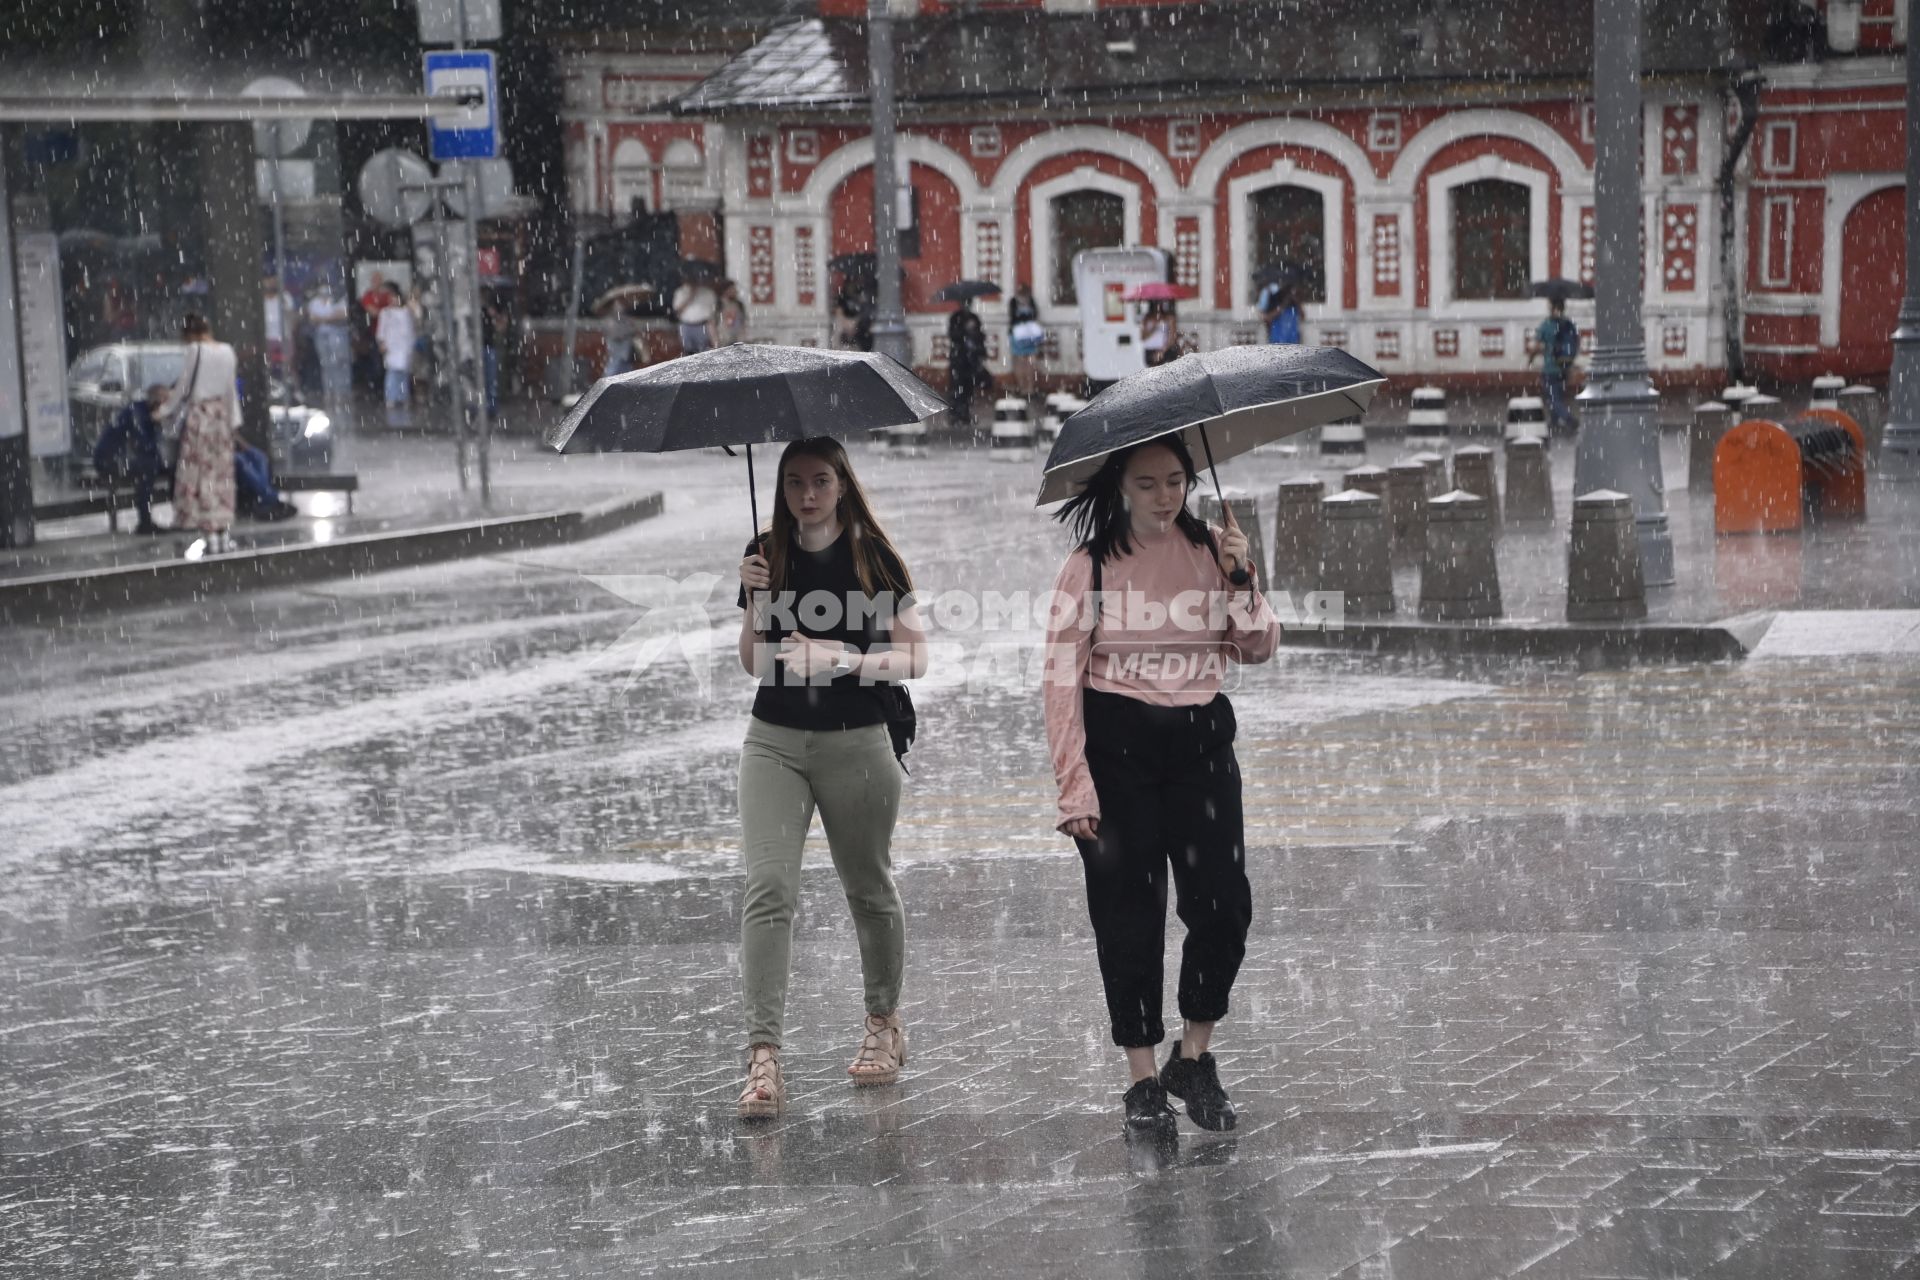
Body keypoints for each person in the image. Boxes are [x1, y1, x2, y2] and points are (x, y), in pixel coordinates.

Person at [1043, 437, 1283, 1136]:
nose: (1164, 495)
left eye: (1176, 480)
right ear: (1120, 484)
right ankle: (1143, 1080)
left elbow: (1260, 646)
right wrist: (1074, 785)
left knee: (1223, 907)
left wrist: (1242, 579)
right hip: (1118, 749)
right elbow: (1061, 684)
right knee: (1129, 917)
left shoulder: (1215, 549)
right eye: (1147, 483)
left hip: (1201, 745)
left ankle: (1194, 1057)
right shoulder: (1085, 567)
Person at [732, 437, 929, 1119]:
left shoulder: (875, 559)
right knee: (767, 888)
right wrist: (757, 603)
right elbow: (756, 665)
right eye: (793, 483)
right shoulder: (766, 554)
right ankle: (764, 1058)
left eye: (819, 481)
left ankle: (884, 1023)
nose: (805, 495)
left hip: (858, 742)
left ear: (843, 485)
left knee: (868, 888)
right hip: (775, 741)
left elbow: (915, 660)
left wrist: (841, 657)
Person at [162, 313, 242, 554]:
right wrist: (233, 422)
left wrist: (165, 410)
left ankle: (208, 530)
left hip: (200, 419)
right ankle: (222, 528)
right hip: (221, 419)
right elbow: (230, 390)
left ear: (189, 334)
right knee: (220, 474)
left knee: (200, 475)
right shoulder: (228, 351)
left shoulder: (195, 351)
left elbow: (183, 388)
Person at [92, 384, 169, 536]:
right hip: (109, 460)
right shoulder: (138, 413)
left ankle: (154, 519)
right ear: (156, 402)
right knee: (148, 468)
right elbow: (143, 444)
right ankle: (145, 522)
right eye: (165, 401)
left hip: (119, 458)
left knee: (155, 466)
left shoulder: (142, 412)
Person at [1532, 298, 1580, 434]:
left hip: (1550, 368)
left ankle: (1569, 419)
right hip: (1564, 367)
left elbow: (1537, 346)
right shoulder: (1568, 324)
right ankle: (1553, 424)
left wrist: (1531, 359)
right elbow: (1576, 343)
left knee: (1553, 399)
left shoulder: (1546, 325)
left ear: (1553, 308)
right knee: (1557, 395)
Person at [305, 281, 353, 406]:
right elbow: (313, 318)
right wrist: (329, 317)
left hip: (338, 335)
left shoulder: (339, 300)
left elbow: (343, 315)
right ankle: (329, 392)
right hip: (321, 336)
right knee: (326, 365)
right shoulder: (314, 303)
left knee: (340, 363)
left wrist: (323, 318)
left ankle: (342, 392)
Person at [375, 282, 416, 422]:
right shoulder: (385, 313)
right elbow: (381, 330)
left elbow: (410, 330)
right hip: (391, 347)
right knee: (392, 373)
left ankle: (403, 397)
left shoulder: (406, 312)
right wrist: (382, 342)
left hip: (404, 347)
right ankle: (391, 398)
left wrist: (411, 345)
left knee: (403, 373)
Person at [946, 305, 991, 424]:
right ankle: (955, 415)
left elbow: (980, 336)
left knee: (968, 389)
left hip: (971, 360)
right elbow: (953, 335)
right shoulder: (956, 317)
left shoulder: (974, 317)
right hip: (959, 358)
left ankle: (965, 414)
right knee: (957, 388)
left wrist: (981, 352)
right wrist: (964, 330)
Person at [1008, 282, 1043, 399]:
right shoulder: (1015, 302)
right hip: (1021, 334)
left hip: (1025, 334)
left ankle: (1027, 388)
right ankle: (1025, 387)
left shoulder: (1027, 301)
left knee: (1026, 363)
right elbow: (1014, 316)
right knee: (1023, 362)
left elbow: (1033, 315)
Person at [673, 276, 717, 355]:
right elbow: (677, 310)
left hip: (702, 325)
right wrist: (690, 296)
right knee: (687, 351)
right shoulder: (680, 292)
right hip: (686, 325)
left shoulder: (708, 293)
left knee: (703, 351)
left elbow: (711, 312)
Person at [262, 276, 293, 381]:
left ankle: (293, 389)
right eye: (268, 282)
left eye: (273, 282)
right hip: (268, 337)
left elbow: (290, 314)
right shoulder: (261, 299)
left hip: (284, 336)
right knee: (268, 365)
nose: (270, 284)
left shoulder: (285, 297)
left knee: (288, 365)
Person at [1256, 278, 1302, 345]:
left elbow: (1303, 316)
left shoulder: (1293, 306)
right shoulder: (1273, 299)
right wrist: (1282, 306)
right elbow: (1266, 318)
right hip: (1277, 341)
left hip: (1292, 341)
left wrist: (1296, 302)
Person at [1139, 301, 1177, 368]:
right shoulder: (1146, 318)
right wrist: (1153, 328)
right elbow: (1142, 337)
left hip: (1164, 350)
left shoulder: (1169, 318)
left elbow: (1172, 338)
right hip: (1149, 350)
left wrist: (1162, 351)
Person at [713, 279, 749, 347]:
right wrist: (716, 341)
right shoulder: (718, 305)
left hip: (738, 339)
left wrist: (744, 337)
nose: (735, 291)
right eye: (732, 289)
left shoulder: (739, 304)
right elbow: (712, 324)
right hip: (723, 339)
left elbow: (743, 322)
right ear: (725, 290)